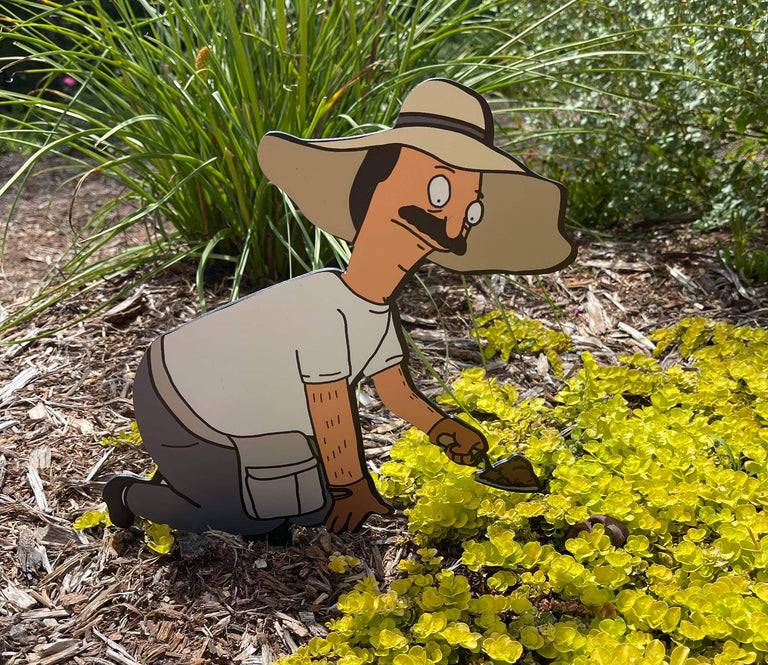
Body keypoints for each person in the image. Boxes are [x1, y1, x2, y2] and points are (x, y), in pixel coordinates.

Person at [103, 79, 575, 537]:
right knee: (243, 520)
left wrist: (442, 427)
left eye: (470, 212)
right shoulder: (325, 309)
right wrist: (350, 487)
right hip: (179, 400)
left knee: (306, 512)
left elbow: (395, 391)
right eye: (438, 193)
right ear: (374, 187)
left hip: (249, 418)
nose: (452, 226)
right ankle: (132, 495)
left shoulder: (375, 313)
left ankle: (202, 478)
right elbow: (328, 406)